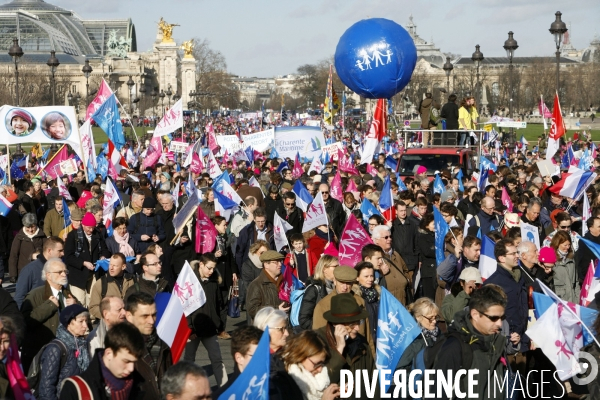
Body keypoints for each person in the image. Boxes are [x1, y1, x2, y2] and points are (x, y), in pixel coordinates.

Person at [432, 285, 507, 399]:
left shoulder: (496, 342)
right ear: (475, 315)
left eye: (502, 317)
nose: (499, 324)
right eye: (493, 318)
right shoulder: (454, 347)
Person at [59, 322, 146, 400]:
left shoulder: (140, 385)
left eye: (134, 362)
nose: (131, 368)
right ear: (109, 354)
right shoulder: (75, 389)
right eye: (126, 361)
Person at [21, 258, 78, 371]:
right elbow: (25, 322)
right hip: (42, 353)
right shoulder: (35, 295)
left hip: (67, 353)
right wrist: (49, 306)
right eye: (59, 272)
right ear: (48, 275)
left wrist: (76, 306)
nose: (64, 274)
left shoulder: (68, 294)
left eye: (65, 271)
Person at [483, 239, 529, 373]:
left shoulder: (520, 276)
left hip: (523, 339)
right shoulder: (493, 283)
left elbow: (523, 307)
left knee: (523, 385)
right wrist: (507, 336)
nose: (517, 256)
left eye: (517, 253)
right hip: (506, 344)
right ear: (501, 258)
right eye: (513, 253)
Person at [184, 255, 228, 387]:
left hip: (210, 328)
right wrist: (189, 328)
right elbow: (184, 307)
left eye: (214, 269)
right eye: (209, 268)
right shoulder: (189, 282)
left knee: (217, 360)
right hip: (193, 330)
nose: (211, 271)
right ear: (201, 264)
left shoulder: (213, 283)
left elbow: (220, 305)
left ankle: (224, 388)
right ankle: (187, 388)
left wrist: (220, 325)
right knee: (189, 360)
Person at [315, 293, 375, 388]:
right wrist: (339, 349)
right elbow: (322, 383)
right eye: (352, 325)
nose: (358, 328)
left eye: (359, 322)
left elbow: (372, 380)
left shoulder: (361, 342)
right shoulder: (317, 342)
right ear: (336, 324)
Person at [37, 304, 91, 400]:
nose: (85, 326)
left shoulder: (82, 344)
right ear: (69, 323)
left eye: (86, 321)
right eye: (81, 321)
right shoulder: (55, 348)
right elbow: (46, 388)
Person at [125, 292, 173, 398]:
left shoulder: (164, 347)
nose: (151, 321)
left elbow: (171, 383)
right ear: (129, 316)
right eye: (145, 316)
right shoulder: (120, 349)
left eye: (154, 315)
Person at [64, 211, 111, 307]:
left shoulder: (98, 235)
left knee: (93, 299)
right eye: (89, 227)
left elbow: (105, 250)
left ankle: (92, 319)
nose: (91, 230)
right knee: (80, 300)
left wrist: (103, 256)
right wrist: (83, 263)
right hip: (78, 273)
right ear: (83, 225)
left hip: (94, 272)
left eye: (93, 227)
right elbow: (68, 256)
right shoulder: (73, 235)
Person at [281, 330, 341, 400]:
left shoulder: (320, 380)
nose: (320, 369)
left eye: (322, 364)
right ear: (300, 356)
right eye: (316, 364)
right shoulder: (284, 383)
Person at [14, 236, 64, 308]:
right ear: (49, 251)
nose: (63, 254)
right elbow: (20, 297)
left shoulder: (61, 268)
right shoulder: (30, 270)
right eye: (60, 251)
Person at [397, 298, 442, 370]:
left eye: (436, 317)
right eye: (430, 318)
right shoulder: (412, 339)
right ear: (418, 317)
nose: (434, 321)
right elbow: (400, 371)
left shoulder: (438, 333)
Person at [371, 225, 411, 305]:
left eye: (390, 236)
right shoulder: (373, 258)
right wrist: (380, 273)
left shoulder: (396, 254)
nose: (389, 239)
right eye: (386, 237)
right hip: (386, 304)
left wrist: (407, 280)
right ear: (377, 240)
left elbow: (406, 270)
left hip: (402, 300)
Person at [88, 253, 135, 320]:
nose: (111, 268)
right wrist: (110, 316)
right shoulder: (101, 284)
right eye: (110, 264)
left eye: (115, 266)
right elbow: (93, 307)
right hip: (110, 325)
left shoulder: (133, 280)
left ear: (123, 267)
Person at [246, 250, 289, 321]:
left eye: (280, 261)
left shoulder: (285, 282)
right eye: (276, 262)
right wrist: (276, 309)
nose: (280, 264)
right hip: (265, 328)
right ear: (266, 265)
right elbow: (252, 309)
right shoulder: (256, 284)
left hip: (283, 325)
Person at [297, 256, 338, 332]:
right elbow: (304, 320)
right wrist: (321, 329)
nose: (338, 268)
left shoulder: (337, 287)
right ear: (324, 269)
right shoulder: (313, 289)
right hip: (320, 336)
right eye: (335, 266)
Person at [8, 213, 46, 281]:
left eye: (33, 227)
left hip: (39, 271)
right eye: (28, 227)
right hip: (23, 271)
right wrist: (13, 275)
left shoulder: (42, 236)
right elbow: (13, 256)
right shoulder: (19, 237)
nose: (30, 230)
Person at [236, 208, 274, 272]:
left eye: (263, 221)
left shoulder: (272, 231)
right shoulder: (247, 231)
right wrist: (240, 270)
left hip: (268, 265)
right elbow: (239, 252)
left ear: (266, 219)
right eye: (258, 221)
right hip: (251, 266)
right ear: (254, 219)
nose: (261, 224)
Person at [353, 262, 380, 345]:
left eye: (371, 276)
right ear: (357, 278)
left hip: (380, 340)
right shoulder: (355, 298)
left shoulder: (378, 295)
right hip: (366, 341)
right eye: (366, 276)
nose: (370, 279)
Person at [391, 200, 419, 280]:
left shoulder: (412, 224)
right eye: (401, 211)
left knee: (410, 286)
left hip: (410, 262)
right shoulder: (392, 225)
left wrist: (416, 259)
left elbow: (416, 242)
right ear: (396, 211)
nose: (403, 213)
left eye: (404, 210)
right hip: (397, 261)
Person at [550, 230, 578, 303]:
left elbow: (576, 283)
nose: (567, 247)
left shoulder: (571, 260)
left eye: (569, 245)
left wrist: (577, 300)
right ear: (557, 244)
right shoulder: (551, 261)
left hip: (573, 301)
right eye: (565, 245)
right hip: (559, 301)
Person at [415, 213, 437, 300]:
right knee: (429, 296)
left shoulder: (436, 236)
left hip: (436, 270)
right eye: (433, 224)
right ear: (427, 225)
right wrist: (438, 252)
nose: (435, 226)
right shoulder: (423, 237)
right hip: (428, 271)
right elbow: (427, 252)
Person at [575, 217, 600, 287]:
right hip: (592, 279)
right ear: (591, 228)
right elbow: (585, 264)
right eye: (599, 226)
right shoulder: (585, 242)